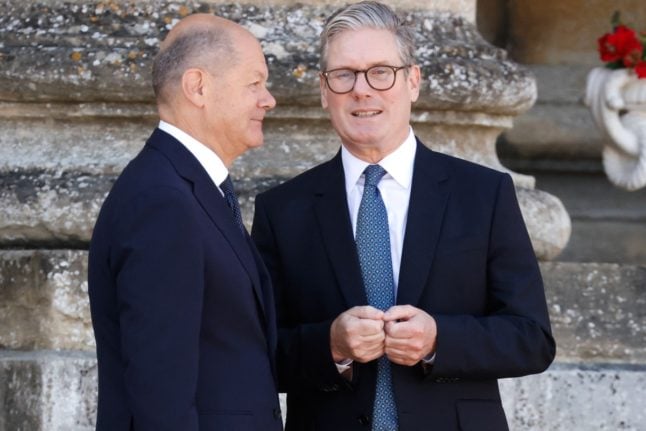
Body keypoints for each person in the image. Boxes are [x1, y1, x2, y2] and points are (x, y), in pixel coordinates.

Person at [251, 2, 556, 430]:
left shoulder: (483, 194)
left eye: (381, 71)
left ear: (412, 81)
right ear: (324, 91)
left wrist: (438, 340)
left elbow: (532, 339)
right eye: (343, 74)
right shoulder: (282, 210)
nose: (362, 90)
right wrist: (331, 346)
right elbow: (256, 353)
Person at [88, 13, 282, 430]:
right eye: (254, 83)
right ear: (198, 87)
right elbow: (161, 395)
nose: (268, 99)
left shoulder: (188, 189)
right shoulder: (162, 202)